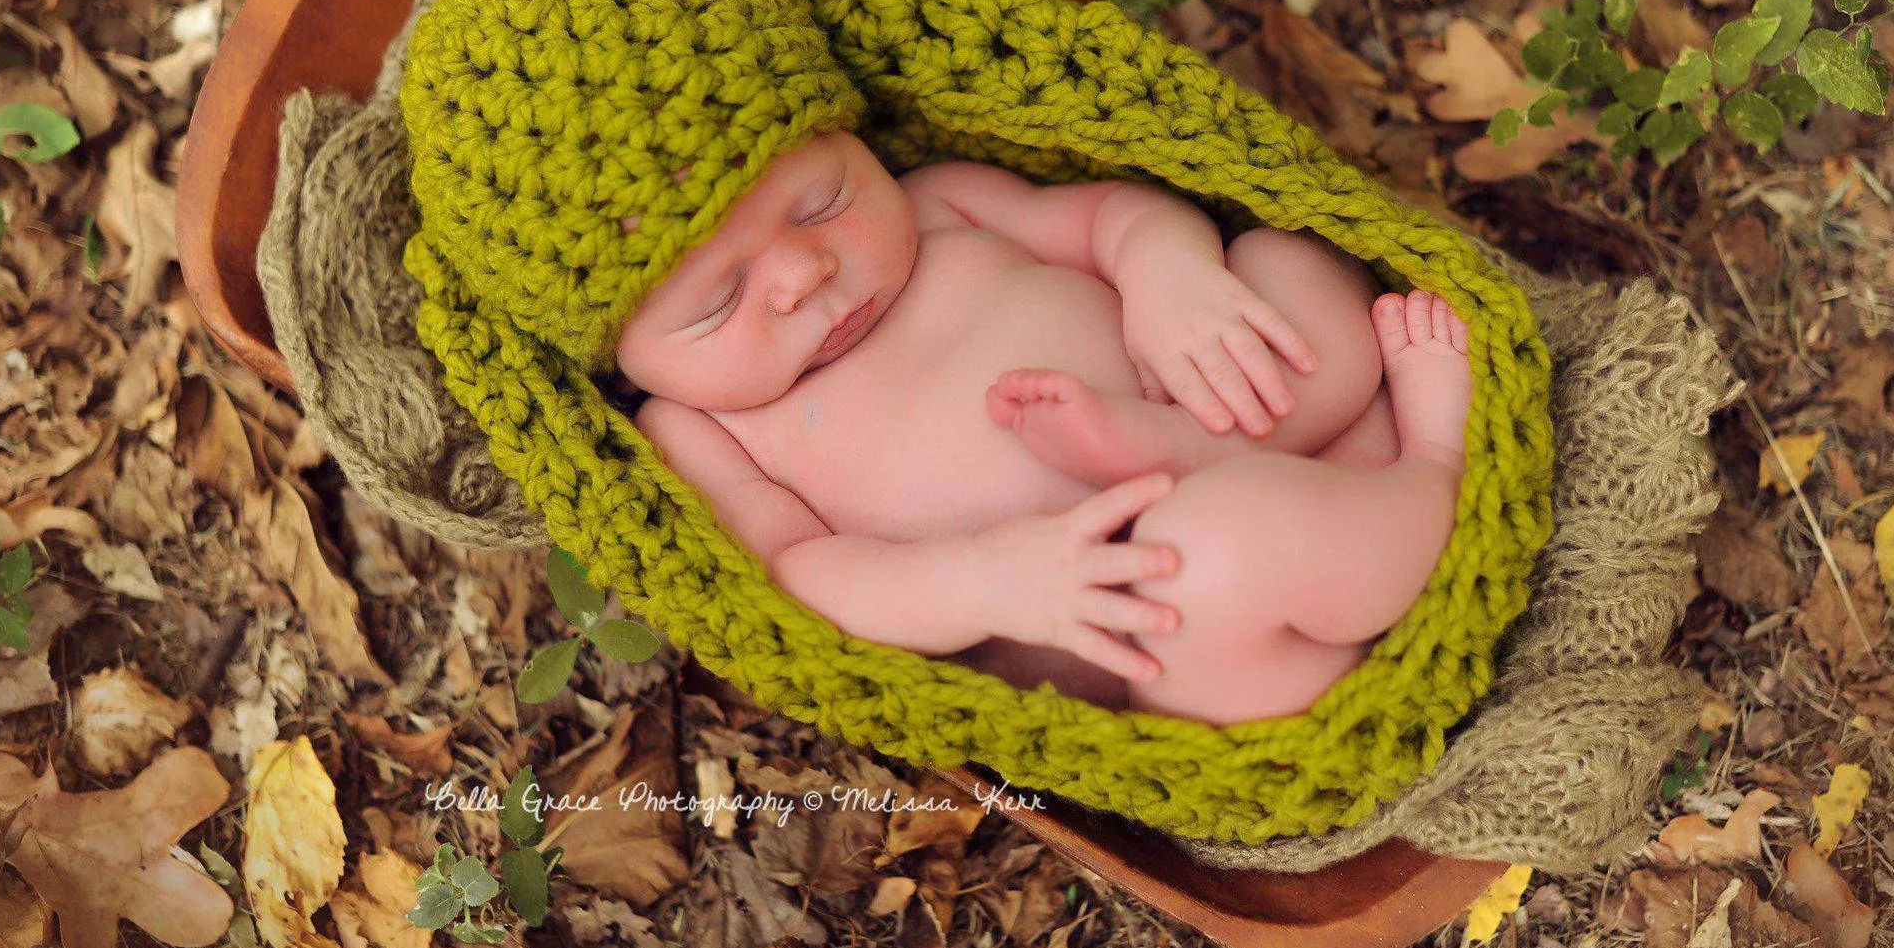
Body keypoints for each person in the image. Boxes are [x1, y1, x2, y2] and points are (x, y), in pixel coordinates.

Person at [613, 130, 1472, 727]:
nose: (806, 271)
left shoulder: (937, 203)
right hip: (1191, 635)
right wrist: (984, 581)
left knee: (1288, 258)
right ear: (621, 353)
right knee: (1208, 547)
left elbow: (1110, 218)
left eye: (821, 201)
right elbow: (799, 579)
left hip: (1294, 434)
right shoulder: (696, 427)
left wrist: (1166, 278)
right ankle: (1432, 461)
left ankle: (1218, 444)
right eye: (719, 300)